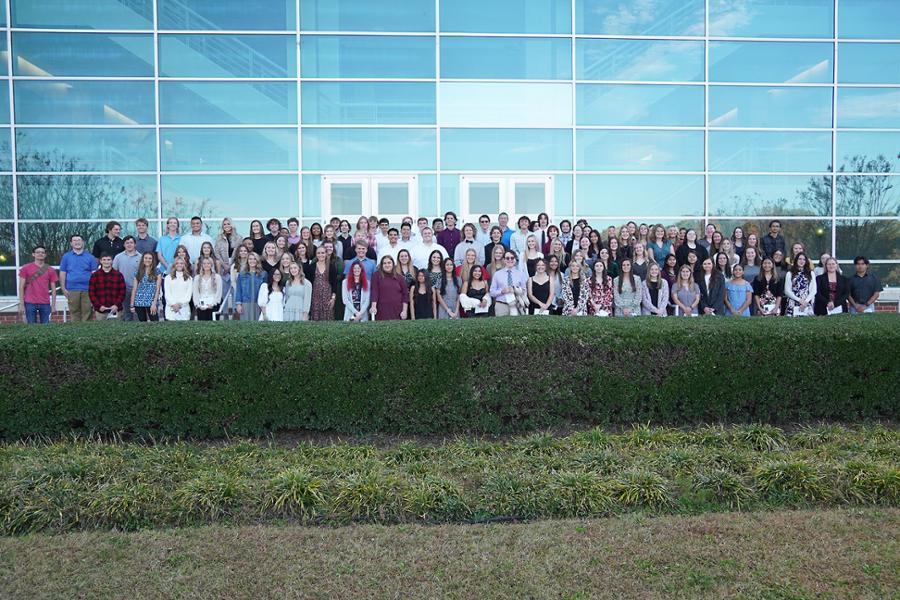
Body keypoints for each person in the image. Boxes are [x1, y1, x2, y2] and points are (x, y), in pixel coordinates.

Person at [59, 234, 98, 322]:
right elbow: (62, 273)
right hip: (72, 289)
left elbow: (94, 275)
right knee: (74, 312)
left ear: (83, 242)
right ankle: (76, 333)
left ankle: (87, 333)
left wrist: (94, 289)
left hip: (87, 289)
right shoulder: (66, 257)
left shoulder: (90, 257)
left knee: (87, 313)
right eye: (75, 240)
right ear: (71, 243)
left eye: (79, 240)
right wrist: (63, 288)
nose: (77, 242)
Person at [18, 245, 58, 324]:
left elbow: (54, 290)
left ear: (45, 255)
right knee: (31, 328)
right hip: (29, 302)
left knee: (45, 328)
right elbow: (21, 287)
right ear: (33, 254)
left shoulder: (50, 270)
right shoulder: (25, 268)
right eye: (38, 252)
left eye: (43, 252)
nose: (40, 254)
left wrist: (53, 305)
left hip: (45, 303)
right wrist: (21, 305)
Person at [490, 250, 530, 316]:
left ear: (515, 260)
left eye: (512, 258)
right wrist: (501, 291)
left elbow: (524, 291)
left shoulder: (521, 274)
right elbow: (492, 292)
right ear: (504, 260)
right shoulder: (497, 274)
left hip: (517, 305)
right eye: (507, 258)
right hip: (502, 305)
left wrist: (516, 290)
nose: (510, 260)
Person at [113, 236, 142, 322]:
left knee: (137, 314)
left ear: (135, 244)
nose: (129, 245)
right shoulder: (118, 257)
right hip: (123, 290)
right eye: (127, 243)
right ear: (124, 245)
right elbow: (114, 273)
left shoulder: (140, 257)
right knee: (126, 314)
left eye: (131, 243)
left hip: (137, 290)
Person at [370, 255, 408, 321]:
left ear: (393, 264)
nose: (387, 265)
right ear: (381, 265)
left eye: (389, 263)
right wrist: (373, 306)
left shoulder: (400, 278)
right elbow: (375, 291)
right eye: (384, 263)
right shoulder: (376, 275)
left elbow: (405, 295)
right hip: (381, 310)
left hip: (397, 310)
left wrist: (404, 311)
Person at [309, 246, 341, 321]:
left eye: (323, 253)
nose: (321, 255)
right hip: (315, 296)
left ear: (326, 254)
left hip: (327, 295)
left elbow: (334, 283)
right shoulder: (311, 267)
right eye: (318, 253)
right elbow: (309, 282)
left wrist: (333, 298)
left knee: (328, 317)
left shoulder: (331, 267)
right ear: (316, 254)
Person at [235, 253, 267, 321]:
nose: (252, 261)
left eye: (254, 259)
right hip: (246, 303)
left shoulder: (263, 274)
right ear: (247, 260)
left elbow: (265, 291)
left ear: (257, 261)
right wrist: (238, 304)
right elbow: (238, 290)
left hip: (258, 304)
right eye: (250, 259)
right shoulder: (242, 274)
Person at [130, 252, 161, 322]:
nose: (148, 260)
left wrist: (154, 303)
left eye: (150, 258)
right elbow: (134, 289)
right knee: (142, 324)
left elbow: (157, 289)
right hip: (139, 302)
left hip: (151, 302)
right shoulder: (138, 272)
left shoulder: (157, 272)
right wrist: (132, 305)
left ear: (153, 260)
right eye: (146, 258)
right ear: (143, 259)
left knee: (155, 323)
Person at [784, 252, 816, 317]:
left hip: (807, 303)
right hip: (793, 302)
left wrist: (805, 302)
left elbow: (814, 290)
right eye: (800, 259)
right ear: (796, 260)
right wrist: (799, 300)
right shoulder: (790, 273)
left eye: (804, 259)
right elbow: (787, 291)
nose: (802, 261)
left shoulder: (811, 273)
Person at [192, 256, 223, 320]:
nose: (206, 265)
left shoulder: (217, 277)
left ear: (211, 265)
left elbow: (218, 293)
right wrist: (198, 305)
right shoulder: (197, 278)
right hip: (201, 306)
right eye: (204, 263)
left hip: (213, 305)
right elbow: (195, 292)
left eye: (208, 263)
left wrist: (213, 304)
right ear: (202, 265)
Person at [163, 256, 193, 321]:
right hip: (171, 309)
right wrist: (174, 304)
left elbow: (188, 295)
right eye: (177, 263)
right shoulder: (168, 278)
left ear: (184, 265)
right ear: (174, 265)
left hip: (184, 309)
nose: (179, 265)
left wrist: (179, 304)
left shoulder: (189, 279)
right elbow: (167, 294)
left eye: (181, 263)